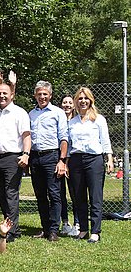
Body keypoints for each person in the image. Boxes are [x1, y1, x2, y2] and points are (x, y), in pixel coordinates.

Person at [0, 80, 31, 241]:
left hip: (13, 158)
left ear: (12, 95)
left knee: (11, 194)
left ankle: (11, 232)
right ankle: (10, 227)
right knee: (2, 194)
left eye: (5, 93)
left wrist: (26, 154)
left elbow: (26, 136)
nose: (2, 95)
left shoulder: (20, 113)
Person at [67, 87, 114, 243]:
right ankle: (83, 230)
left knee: (95, 197)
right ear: (76, 101)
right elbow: (68, 144)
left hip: (94, 160)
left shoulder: (99, 119)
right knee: (79, 197)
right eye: (80, 99)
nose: (83, 101)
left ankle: (95, 231)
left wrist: (109, 159)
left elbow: (105, 140)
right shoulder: (71, 122)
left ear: (91, 100)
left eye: (85, 98)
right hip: (76, 161)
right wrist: (66, 162)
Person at [28, 81, 68, 242]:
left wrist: (62, 160)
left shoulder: (58, 113)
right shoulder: (31, 114)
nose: (42, 97)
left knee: (54, 194)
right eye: (39, 94)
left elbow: (64, 138)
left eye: (45, 94)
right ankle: (45, 228)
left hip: (52, 156)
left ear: (50, 95)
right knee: (40, 195)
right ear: (35, 95)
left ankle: (53, 230)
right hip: (35, 157)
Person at [59, 94, 79, 236]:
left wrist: (68, 162)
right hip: (58, 160)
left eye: (69, 102)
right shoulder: (59, 120)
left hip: (73, 161)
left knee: (75, 193)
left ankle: (78, 223)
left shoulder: (77, 121)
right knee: (60, 194)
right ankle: (65, 222)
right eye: (64, 102)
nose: (67, 105)